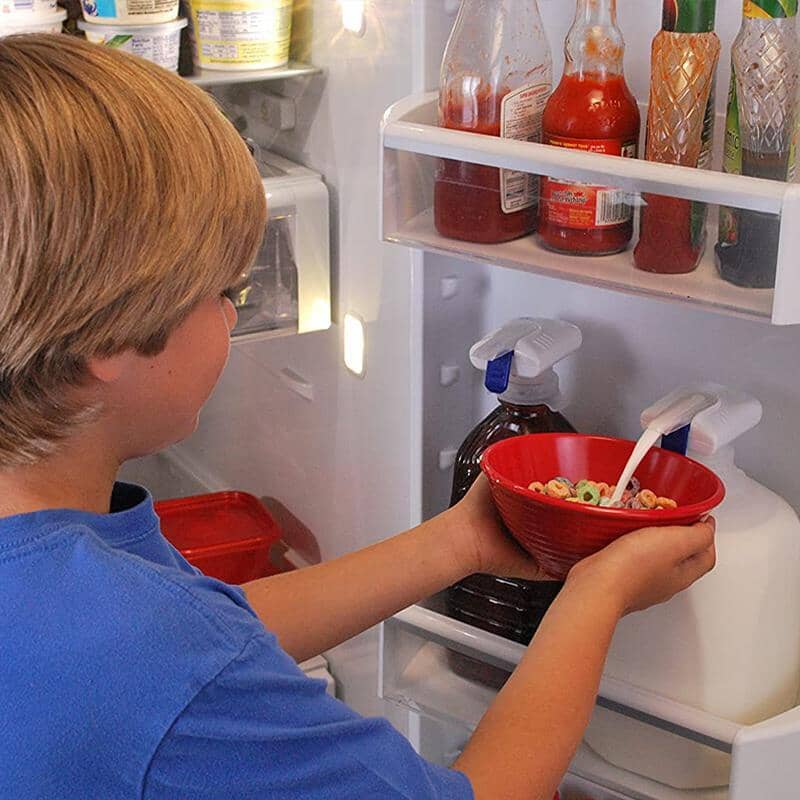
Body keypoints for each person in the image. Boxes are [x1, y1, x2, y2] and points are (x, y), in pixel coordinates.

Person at [0, 34, 716, 800]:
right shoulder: (146, 645)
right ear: (109, 335)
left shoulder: (89, 603)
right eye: (226, 293)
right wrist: (595, 596)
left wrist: (459, 542)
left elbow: (204, 646)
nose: (232, 318)